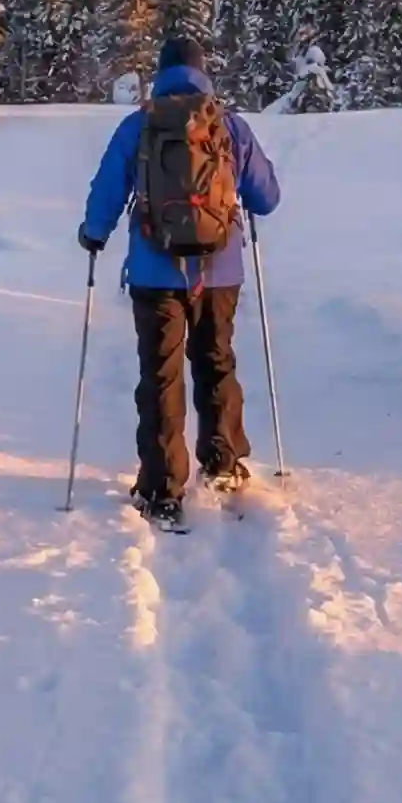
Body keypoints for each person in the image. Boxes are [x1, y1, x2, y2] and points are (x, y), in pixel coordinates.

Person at [77, 35, 281, 527]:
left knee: (161, 374)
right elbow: (267, 198)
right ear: (204, 73)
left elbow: (106, 190)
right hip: (220, 269)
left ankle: (162, 489)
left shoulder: (139, 124)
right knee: (216, 361)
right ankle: (223, 464)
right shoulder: (228, 126)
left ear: (160, 73)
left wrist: (93, 233)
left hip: (154, 269)